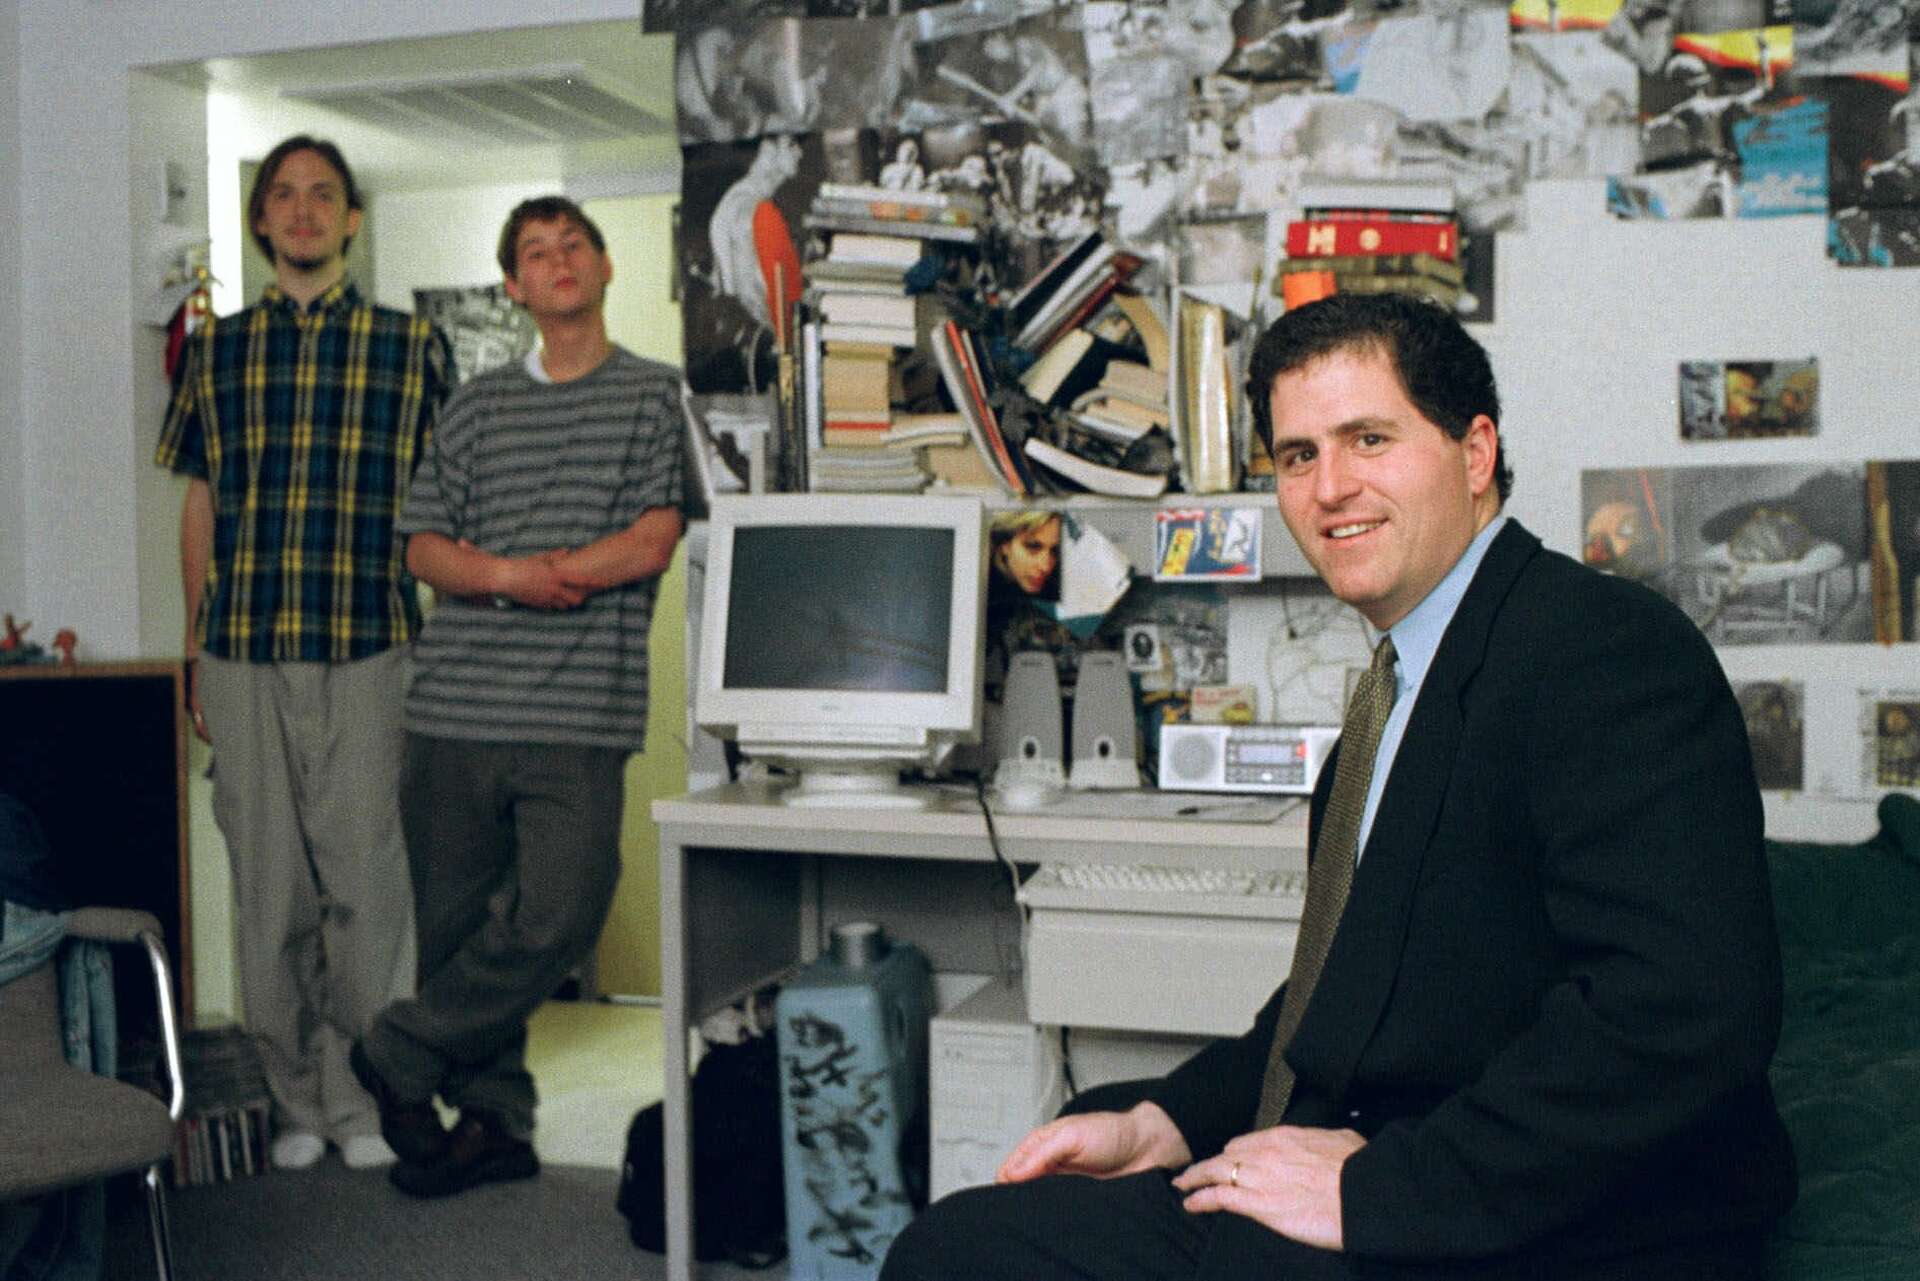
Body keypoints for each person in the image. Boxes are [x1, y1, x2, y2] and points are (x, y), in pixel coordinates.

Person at [882, 292, 1795, 1280]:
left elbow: (1679, 1012)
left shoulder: (1604, 649)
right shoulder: (1397, 692)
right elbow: (1346, 995)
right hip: (1403, 1156)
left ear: (1475, 453)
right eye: (1298, 456)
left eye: (1369, 439)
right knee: (973, 1235)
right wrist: (1165, 1121)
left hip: (1553, 1217)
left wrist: (1373, 1190)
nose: (1330, 488)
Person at [349, 196, 685, 1199]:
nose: (558, 260)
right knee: (456, 930)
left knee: (561, 912)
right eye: (536, 252)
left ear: (605, 266)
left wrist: (549, 572)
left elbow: (654, 537)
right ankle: (495, 1126)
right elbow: (423, 548)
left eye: (573, 244)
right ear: (514, 286)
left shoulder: (655, 394)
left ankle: (400, 1048)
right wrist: (509, 577)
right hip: (453, 709)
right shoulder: (474, 404)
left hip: (579, 713)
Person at [154, 135, 450, 1173]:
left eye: (324, 194)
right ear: (262, 221)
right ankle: (294, 1101)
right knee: (269, 891)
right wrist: (192, 644)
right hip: (242, 648)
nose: (304, 209)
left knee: (368, 888)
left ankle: (362, 1099)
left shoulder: (411, 346)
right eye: (283, 195)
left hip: (369, 644)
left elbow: (446, 506)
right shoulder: (218, 352)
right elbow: (201, 502)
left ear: (352, 219)